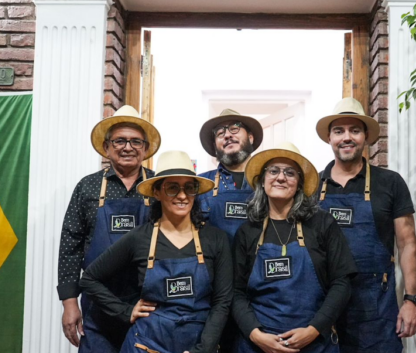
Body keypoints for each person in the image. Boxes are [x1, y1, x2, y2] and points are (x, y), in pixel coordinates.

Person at [79, 150, 233, 353]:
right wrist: (125, 311)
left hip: (197, 344)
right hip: (145, 345)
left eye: (189, 187)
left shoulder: (215, 239)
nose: (182, 195)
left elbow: (222, 301)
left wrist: (204, 349)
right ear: (157, 193)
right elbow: (89, 278)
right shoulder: (140, 238)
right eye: (172, 188)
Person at [316, 97, 416, 353]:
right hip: (321, 305)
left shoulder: (390, 183)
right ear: (330, 138)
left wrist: (411, 300)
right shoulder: (312, 186)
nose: (347, 137)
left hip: (375, 309)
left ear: (365, 137)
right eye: (339, 131)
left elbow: (407, 244)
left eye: (355, 130)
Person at [232, 142, 357, 353]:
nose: (281, 177)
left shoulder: (322, 224)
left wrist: (314, 329)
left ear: (299, 183)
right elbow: (235, 292)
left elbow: (341, 283)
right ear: (262, 181)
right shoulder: (248, 231)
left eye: (290, 173)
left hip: (315, 344)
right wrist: (256, 334)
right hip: (258, 345)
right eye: (273, 171)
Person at [57, 105, 161, 352]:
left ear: (145, 148)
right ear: (106, 147)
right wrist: (69, 302)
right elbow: (69, 247)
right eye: (120, 141)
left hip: (148, 302)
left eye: (136, 142)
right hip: (98, 302)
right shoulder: (88, 187)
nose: (128, 147)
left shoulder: (160, 186)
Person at [197, 109, 263, 352]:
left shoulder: (268, 183)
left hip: (258, 294)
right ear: (215, 144)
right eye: (220, 132)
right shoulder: (199, 185)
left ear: (251, 137)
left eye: (235, 128)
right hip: (211, 295)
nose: (227, 135)